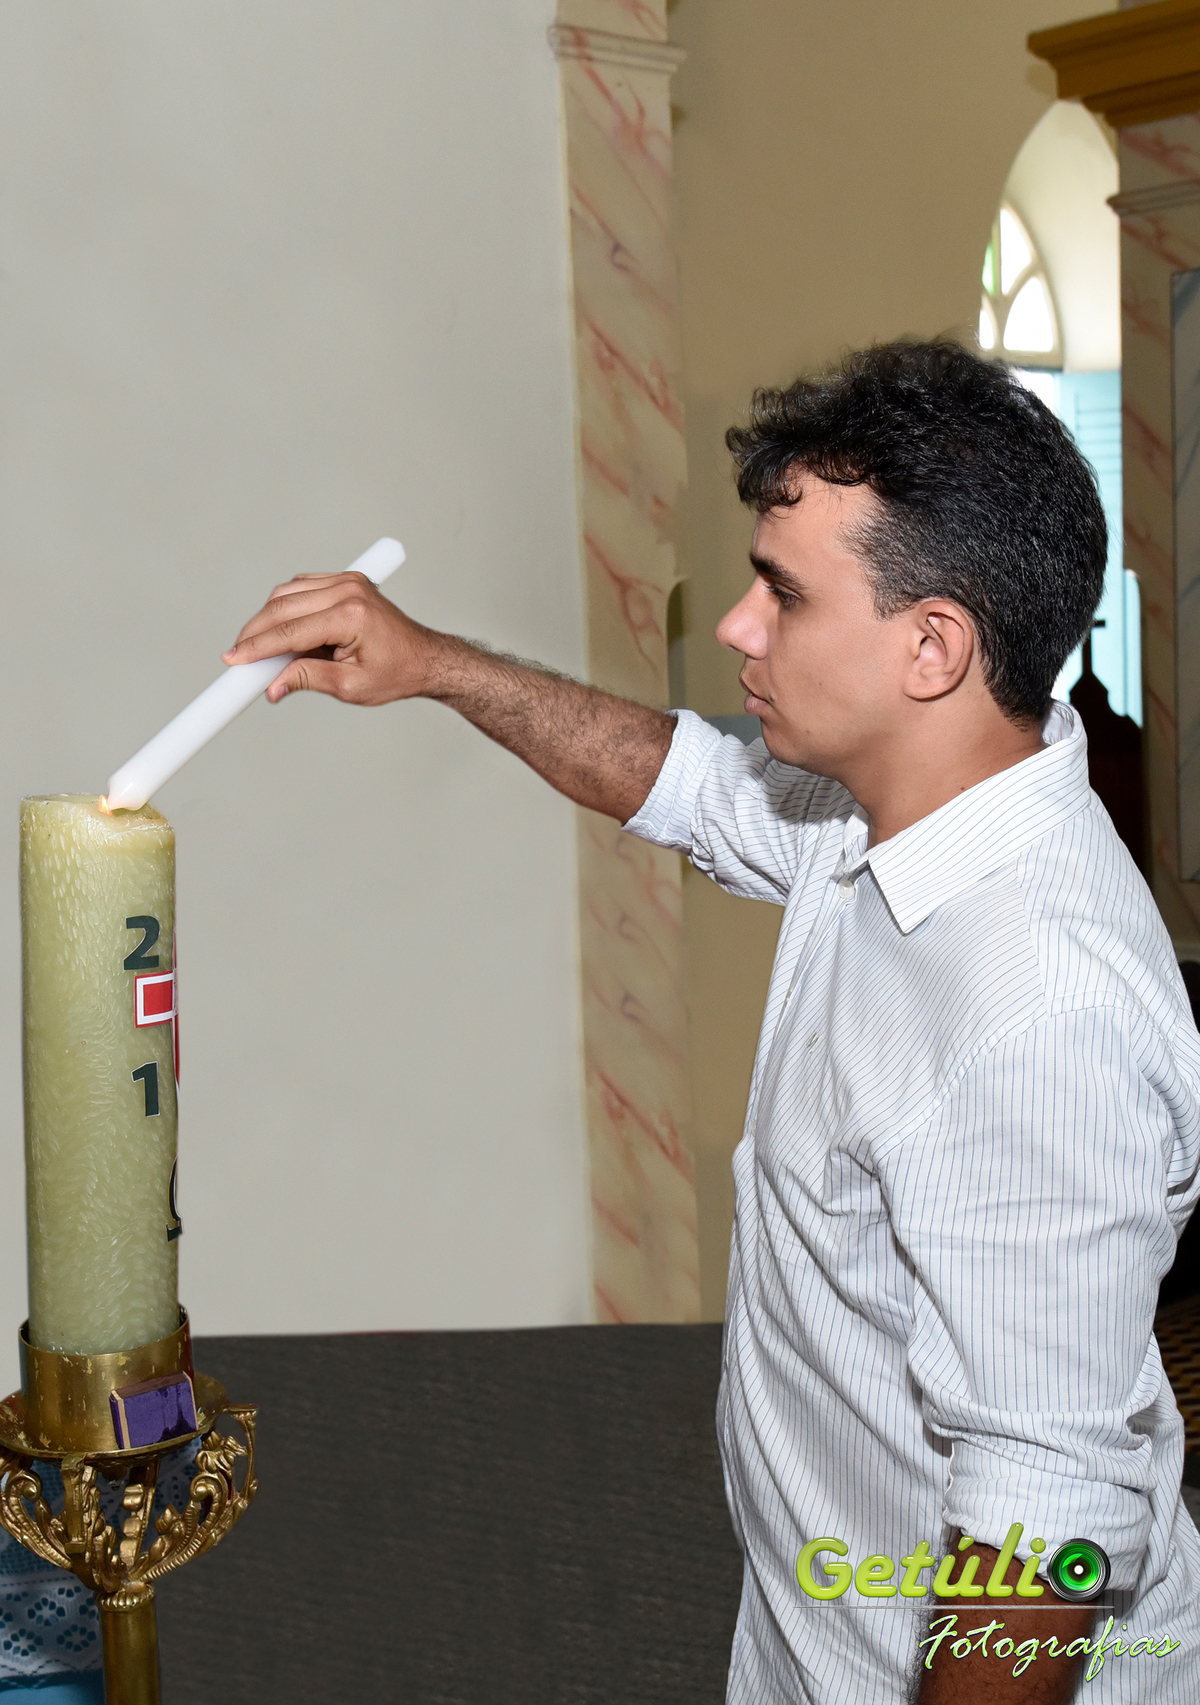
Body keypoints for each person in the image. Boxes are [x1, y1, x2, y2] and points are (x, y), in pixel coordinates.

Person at [227, 342, 1200, 1702]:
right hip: (814, 1636)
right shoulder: (898, 800)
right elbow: (685, 782)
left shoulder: (1037, 1012)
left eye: (784, 595)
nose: (740, 626)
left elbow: (1045, 1526)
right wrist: (433, 664)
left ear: (931, 647)